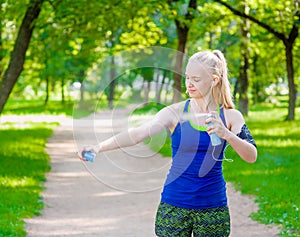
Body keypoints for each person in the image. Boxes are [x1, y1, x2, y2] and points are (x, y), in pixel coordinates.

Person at [78, 49, 257, 237]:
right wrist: (99, 147)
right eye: (187, 77)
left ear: (214, 80)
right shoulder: (174, 113)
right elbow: (138, 134)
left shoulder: (230, 116)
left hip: (213, 206)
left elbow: (251, 155)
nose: (189, 83)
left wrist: (226, 133)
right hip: (174, 203)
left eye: (196, 79)